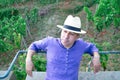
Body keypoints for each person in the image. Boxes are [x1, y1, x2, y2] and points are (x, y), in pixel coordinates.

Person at [26, 15, 101, 80]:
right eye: (65, 31)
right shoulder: (50, 42)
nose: (66, 36)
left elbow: (92, 47)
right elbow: (34, 45)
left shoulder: (80, 45)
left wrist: (96, 57)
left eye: (71, 34)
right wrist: (28, 59)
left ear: (77, 36)